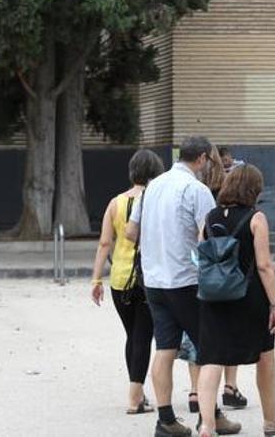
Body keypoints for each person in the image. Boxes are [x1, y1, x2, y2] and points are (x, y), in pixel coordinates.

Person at [125, 136, 239, 436]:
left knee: (164, 348)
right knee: (209, 348)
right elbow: (209, 237)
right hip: (186, 280)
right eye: (208, 162)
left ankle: (166, 420)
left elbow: (130, 232)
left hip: (153, 280)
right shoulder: (196, 189)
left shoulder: (151, 188)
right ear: (201, 158)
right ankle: (210, 416)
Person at [195, 165, 275, 437]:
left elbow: (200, 253)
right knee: (265, 356)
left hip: (213, 296)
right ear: (253, 190)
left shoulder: (209, 217)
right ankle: (270, 422)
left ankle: (207, 425)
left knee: (211, 357)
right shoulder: (256, 218)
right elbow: (264, 266)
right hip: (250, 298)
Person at [90, 149, 165, 414]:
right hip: (147, 278)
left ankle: (139, 392)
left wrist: (96, 278)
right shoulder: (156, 199)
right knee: (143, 337)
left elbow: (104, 243)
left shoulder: (115, 202)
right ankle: (134, 397)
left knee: (132, 335)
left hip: (119, 279)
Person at [201, 145, 246, 412]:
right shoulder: (228, 197)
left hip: (205, 273)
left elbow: (198, 239)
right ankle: (230, 386)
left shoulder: (198, 191)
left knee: (204, 338)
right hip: (232, 273)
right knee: (230, 331)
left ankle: (197, 393)